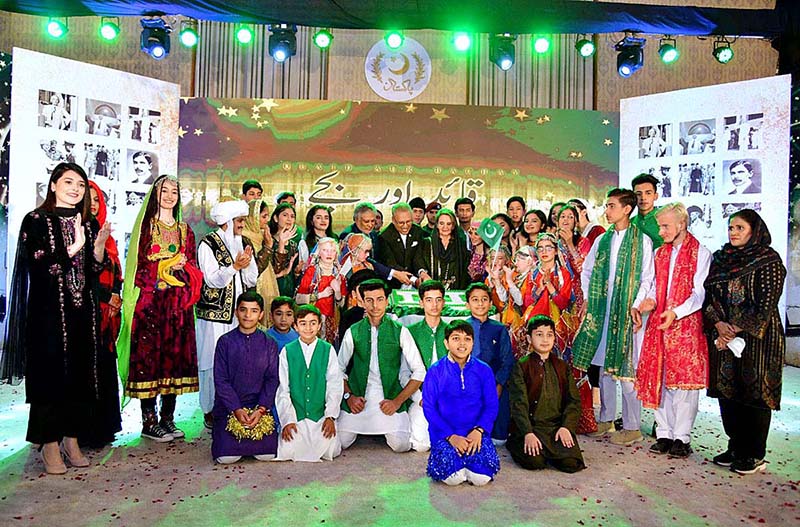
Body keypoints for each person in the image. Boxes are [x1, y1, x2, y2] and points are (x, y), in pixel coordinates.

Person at [3, 163, 110, 473]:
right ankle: (49, 443)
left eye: (80, 183)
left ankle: (71, 439)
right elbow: (40, 267)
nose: (75, 188)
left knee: (78, 376)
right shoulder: (35, 221)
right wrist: (72, 247)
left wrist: (98, 246)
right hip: (48, 316)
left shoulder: (87, 224)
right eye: (68, 182)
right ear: (53, 185)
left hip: (81, 314)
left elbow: (91, 272)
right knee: (49, 377)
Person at [117, 175, 202, 443]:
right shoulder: (146, 227)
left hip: (177, 306)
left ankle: (168, 418)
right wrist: (164, 266)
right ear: (155, 194)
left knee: (173, 359)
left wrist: (183, 269)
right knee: (150, 362)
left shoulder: (185, 230)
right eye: (164, 191)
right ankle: (148, 421)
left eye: (174, 192)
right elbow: (140, 269)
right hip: (151, 305)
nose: (169, 196)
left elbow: (193, 267)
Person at [703, 210, 785, 474]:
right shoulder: (720, 258)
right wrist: (719, 324)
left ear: (754, 231)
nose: (733, 232)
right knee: (727, 392)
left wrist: (735, 328)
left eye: (739, 227)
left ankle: (755, 453)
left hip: (757, 340)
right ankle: (736, 446)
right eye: (731, 227)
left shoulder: (768, 260)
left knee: (755, 393)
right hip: (725, 338)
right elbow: (709, 296)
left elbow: (766, 304)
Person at [572, 188, 654, 446]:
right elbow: (587, 271)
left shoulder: (642, 241)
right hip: (601, 310)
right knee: (603, 367)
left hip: (628, 313)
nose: (606, 211)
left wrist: (637, 304)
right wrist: (588, 298)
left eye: (611, 206)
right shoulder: (602, 240)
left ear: (626, 209)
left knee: (626, 370)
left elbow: (647, 278)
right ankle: (606, 419)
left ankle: (632, 426)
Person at [635, 203, 711, 459]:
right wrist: (645, 303)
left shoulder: (701, 252)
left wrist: (676, 312)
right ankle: (664, 434)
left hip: (686, 326)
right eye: (659, 225)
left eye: (665, 225)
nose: (661, 230)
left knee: (685, 386)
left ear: (681, 224)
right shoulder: (660, 253)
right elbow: (654, 285)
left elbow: (699, 294)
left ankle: (682, 437)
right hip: (659, 324)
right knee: (660, 379)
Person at [337, 279, 426, 452]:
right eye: (369, 300)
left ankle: (383, 427)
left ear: (387, 300)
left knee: (400, 445)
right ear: (361, 302)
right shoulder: (353, 331)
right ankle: (366, 428)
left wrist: (397, 401)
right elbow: (338, 369)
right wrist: (349, 397)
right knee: (341, 442)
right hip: (359, 398)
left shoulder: (400, 331)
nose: (375, 305)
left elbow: (419, 370)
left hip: (389, 397)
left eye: (379, 299)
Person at [196, 200, 258, 429]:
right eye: (240, 221)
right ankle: (209, 409)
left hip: (236, 315)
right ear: (227, 222)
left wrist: (247, 264)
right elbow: (212, 279)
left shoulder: (240, 242)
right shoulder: (208, 244)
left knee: (234, 362)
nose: (242, 225)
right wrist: (235, 266)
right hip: (213, 317)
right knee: (211, 361)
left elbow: (251, 279)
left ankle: (231, 406)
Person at [423, 320, 500, 486]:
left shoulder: (484, 369)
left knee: (481, 479)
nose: (462, 344)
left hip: (475, 433)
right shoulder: (435, 371)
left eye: (467, 339)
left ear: (473, 342)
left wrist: (479, 431)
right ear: (446, 342)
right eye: (456, 338)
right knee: (453, 478)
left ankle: (470, 463)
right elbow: (429, 408)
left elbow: (491, 405)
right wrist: (450, 436)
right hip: (446, 433)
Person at [507, 316, 585, 473]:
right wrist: (528, 433)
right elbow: (518, 404)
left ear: (554, 338)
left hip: (556, 427)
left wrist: (566, 427)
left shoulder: (562, 366)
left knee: (571, 464)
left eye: (549, 335)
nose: (545, 339)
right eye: (539, 334)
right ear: (529, 338)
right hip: (531, 427)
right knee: (535, 462)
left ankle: (553, 447)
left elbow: (573, 401)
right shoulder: (522, 366)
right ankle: (517, 442)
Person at [211, 291, 279, 464]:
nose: (248, 315)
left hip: (259, 409)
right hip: (229, 409)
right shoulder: (225, 342)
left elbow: (272, 379)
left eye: (254, 311)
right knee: (227, 458)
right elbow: (221, 380)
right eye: (243, 310)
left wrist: (261, 409)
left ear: (261, 315)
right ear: (236, 312)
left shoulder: (269, 342)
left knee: (267, 455)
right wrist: (236, 409)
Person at [82, 181, 123, 448]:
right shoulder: (77, 232)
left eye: (98, 199)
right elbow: (82, 274)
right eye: (89, 199)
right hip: (86, 312)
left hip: (108, 313)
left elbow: (116, 271)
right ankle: (84, 431)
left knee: (105, 365)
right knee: (86, 367)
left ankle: (105, 427)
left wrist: (117, 296)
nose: (94, 204)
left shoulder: (106, 237)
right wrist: (106, 297)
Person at [275, 304, 343, 462]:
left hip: (319, 415)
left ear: (319, 325)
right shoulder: (287, 351)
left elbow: (334, 385)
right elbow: (282, 389)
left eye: (313, 323)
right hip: (296, 415)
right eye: (303, 323)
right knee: (288, 448)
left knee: (331, 448)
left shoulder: (328, 349)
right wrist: (288, 421)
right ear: (296, 326)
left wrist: (330, 416)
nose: (308, 328)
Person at [467, 283, 514, 444]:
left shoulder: (499, 329)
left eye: (484, 299)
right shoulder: (463, 328)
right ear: (468, 304)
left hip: (495, 385)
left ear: (491, 303)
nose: (480, 303)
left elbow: (507, 360)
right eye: (475, 300)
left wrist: (498, 387)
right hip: (468, 385)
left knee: (498, 440)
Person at [406, 280, 448, 451]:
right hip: (420, 397)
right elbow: (403, 372)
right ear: (421, 302)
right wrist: (418, 398)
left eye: (438, 299)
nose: (434, 305)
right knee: (421, 445)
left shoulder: (452, 331)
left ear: (444, 302)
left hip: (447, 398)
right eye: (429, 300)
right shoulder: (410, 332)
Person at [295, 237, 344, 344]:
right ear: (319, 253)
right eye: (325, 250)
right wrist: (320, 295)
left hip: (331, 322)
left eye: (332, 251)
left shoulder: (339, 274)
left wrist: (338, 292)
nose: (329, 254)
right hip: (312, 320)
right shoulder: (311, 271)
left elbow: (342, 304)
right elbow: (298, 299)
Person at [242, 199, 280, 326]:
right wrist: (268, 247)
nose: (267, 220)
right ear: (252, 217)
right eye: (264, 216)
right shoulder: (244, 238)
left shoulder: (260, 235)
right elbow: (255, 270)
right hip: (253, 289)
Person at [378, 202, 431, 289]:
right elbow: (391, 264)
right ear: (393, 220)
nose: (405, 226)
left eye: (408, 221)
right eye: (401, 223)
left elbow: (418, 257)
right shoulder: (384, 236)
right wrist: (414, 280)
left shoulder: (417, 231)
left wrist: (422, 273)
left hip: (416, 283)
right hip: (394, 285)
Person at [426, 208, 470, 290]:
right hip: (431, 290)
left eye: (448, 224)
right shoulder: (427, 243)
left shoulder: (460, 244)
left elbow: (464, 271)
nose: (445, 227)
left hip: (456, 290)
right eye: (441, 223)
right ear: (437, 225)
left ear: (453, 226)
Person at [269, 203, 300, 297]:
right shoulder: (268, 241)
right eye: (285, 215)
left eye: (292, 216)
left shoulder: (293, 245)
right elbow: (274, 271)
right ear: (276, 218)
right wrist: (281, 245)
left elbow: (293, 272)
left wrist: (297, 271)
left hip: (289, 289)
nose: (289, 219)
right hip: (271, 288)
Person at [631, 173, 663, 249]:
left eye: (648, 193)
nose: (643, 198)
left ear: (655, 196)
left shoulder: (666, 222)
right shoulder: (629, 224)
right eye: (638, 194)